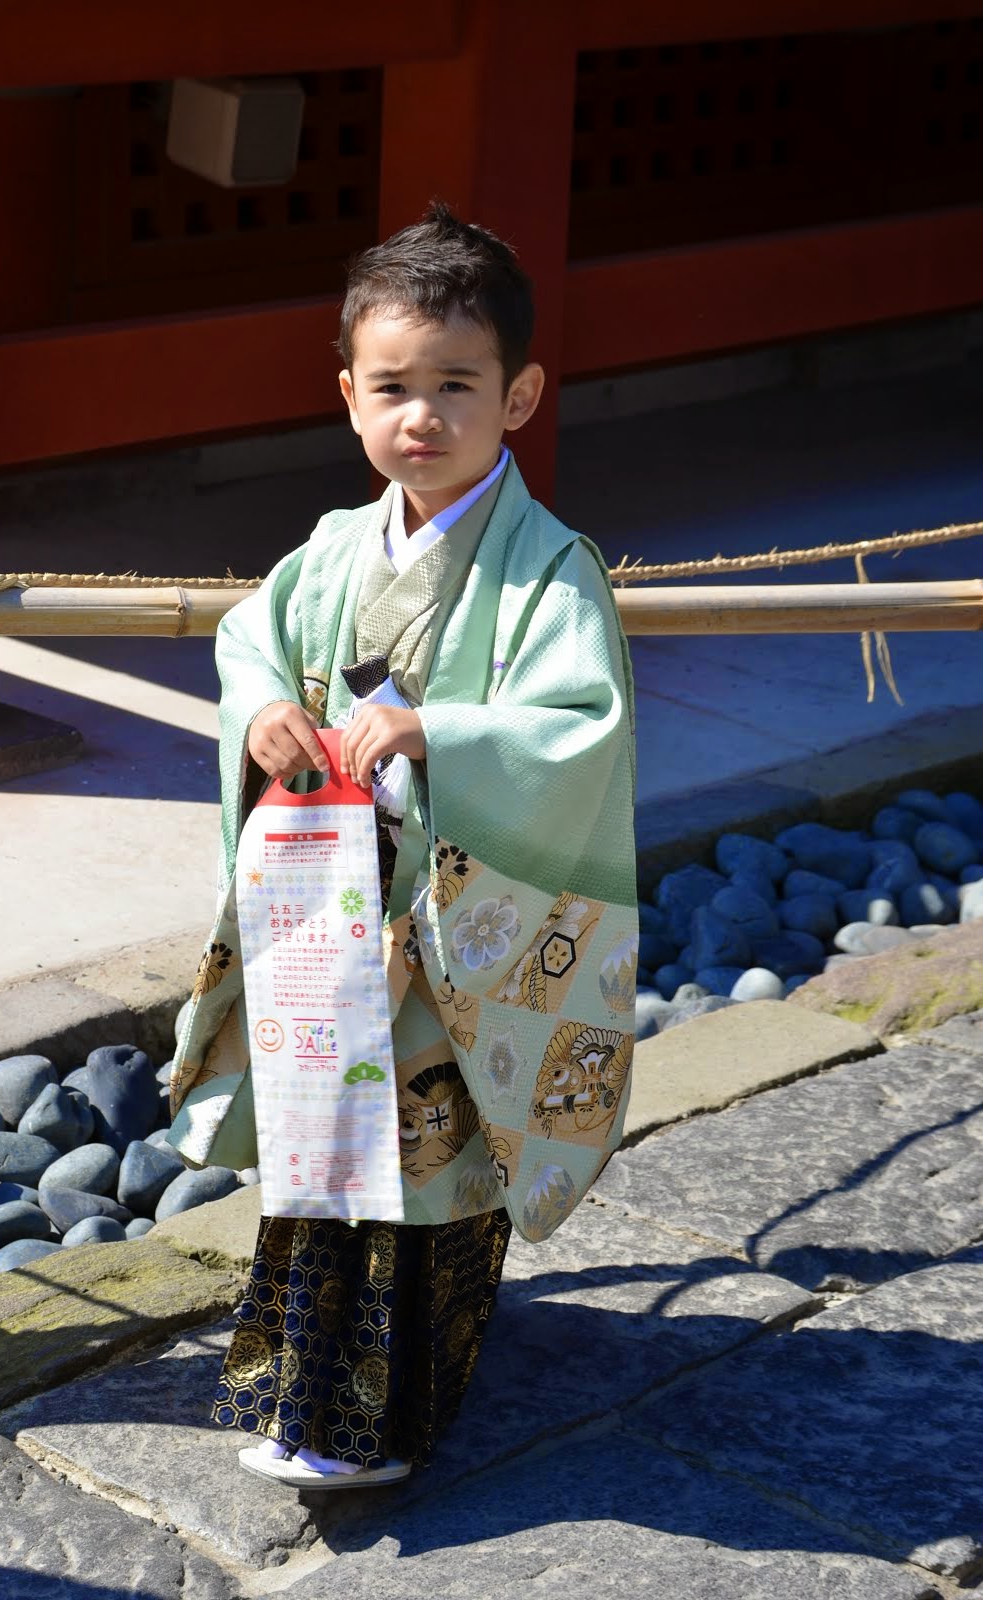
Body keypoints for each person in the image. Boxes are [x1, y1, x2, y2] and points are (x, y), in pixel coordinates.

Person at [168, 202, 638, 1491]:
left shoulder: (552, 571)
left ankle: (382, 1417)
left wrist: (438, 731)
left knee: (427, 1159)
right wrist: (265, 707)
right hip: (332, 903)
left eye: (455, 384)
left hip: (454, 920)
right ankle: (291, 1390)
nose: (419, 414)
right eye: (392, 387)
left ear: (522, 393)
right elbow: (250, 642)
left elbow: (579, 723)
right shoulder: (330, 552)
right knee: (321, 1143)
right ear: (348, 396)